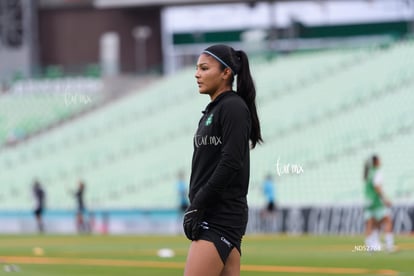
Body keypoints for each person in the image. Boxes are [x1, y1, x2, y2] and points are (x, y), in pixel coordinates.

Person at [183, 44, 262, 276]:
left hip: (218, 216)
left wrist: (198, 204)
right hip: (216, 214)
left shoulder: (233, 107)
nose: (197, 74)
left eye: (204, 68)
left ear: (226, 72)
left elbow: (231, 162)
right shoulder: (213, 110)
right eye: (197, 68)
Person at [363, 155, 395, 252]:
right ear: (376, 162)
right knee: (387, 220)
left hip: (368, 201)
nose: (381, 161)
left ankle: (371, 244)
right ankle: (389, 245)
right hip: (376, 201)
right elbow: (377, 187)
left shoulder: (369, 173)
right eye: (379, 160)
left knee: (372, 222)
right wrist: (385, 200)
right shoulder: (377, 172)